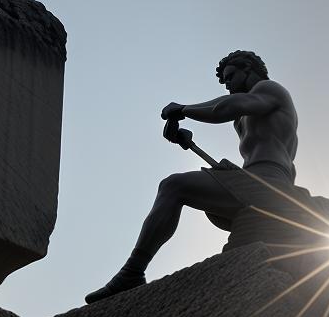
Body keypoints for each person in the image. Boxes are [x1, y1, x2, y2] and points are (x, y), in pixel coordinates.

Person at [85, 50, 299, 303]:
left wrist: (183, 110)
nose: (227, 84)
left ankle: (132, 272)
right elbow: (249, 147)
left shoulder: (269, 89)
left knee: (173, 186)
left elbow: (225, 107)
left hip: (270, 182)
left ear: (248, 69)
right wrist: (193, 145)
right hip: (254, 178)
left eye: (230, 76)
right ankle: (132, 271)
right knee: (179, 187)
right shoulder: (245, 116)